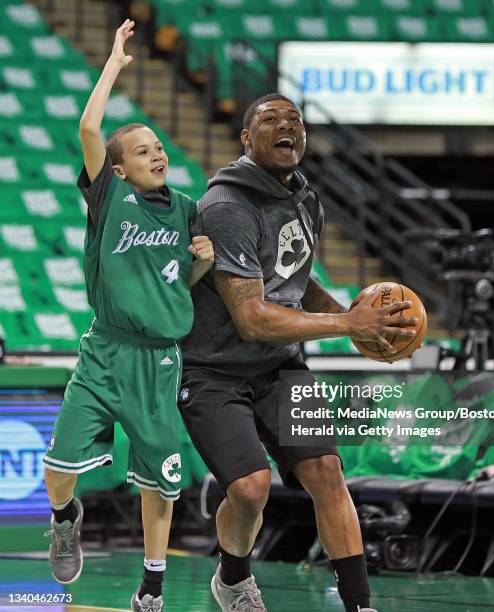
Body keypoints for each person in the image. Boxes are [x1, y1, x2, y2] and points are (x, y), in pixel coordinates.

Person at [179, 93, 418, 612]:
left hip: (281, 365)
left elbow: (296, 283)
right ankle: (234, 578)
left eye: (295, 119)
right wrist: (346, 322)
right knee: (249, 489)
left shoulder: (305, 198)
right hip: (213, 370)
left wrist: (360, 327)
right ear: (246, 139)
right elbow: (253, 315)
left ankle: (359, 604)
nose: (287, 125)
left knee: (328, 474)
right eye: (270, 120)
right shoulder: (226, 207)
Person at [42, 20, 213, 612]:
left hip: (159, 361)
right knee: (58, 465)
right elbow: (90, 126)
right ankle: (66, 517)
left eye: (160, 147)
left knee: (158, 482)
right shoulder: (109, 199)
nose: (158, 154)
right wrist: (115, 62)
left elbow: (176, 290)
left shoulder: (189, 211)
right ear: (118, 170)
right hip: (104, 352)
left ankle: (153, 586)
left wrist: (201, 265)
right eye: (143, 151)